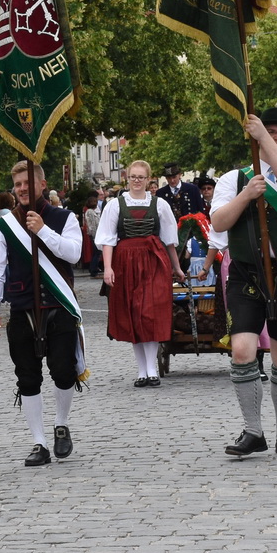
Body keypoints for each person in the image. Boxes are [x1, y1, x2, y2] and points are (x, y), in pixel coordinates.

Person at [210, 107, 277, 459]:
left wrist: (264, 140)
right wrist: (246, 195)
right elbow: (219, 224)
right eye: (271, 130)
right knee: (242, 349)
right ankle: (253, 431)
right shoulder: (232, 179)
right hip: (246, 272)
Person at [0, 160, 85, 465]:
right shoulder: (5, 225)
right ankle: (39, 441)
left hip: (58, 305)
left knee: (64, 370)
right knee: (27, 377)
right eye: (17, 185)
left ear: (42, 184)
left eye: (28, 183)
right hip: (22, 305)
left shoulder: (63, 217)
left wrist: (43, 232)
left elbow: (74, 254)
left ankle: (61, 424)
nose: (23, 189)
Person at [97, 161, 181, 388]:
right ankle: (142, 370)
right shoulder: (115, 205)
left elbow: (170, 240)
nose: (136, 180)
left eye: (141, 177)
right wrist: (108, 268)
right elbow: (107, 240)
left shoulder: (159, 205)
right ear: (127, 178)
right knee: (133, 313)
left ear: (148, 180)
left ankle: (152, 369)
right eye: (133, 176)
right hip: (125, 262)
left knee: (149, 312)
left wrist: (177, 268)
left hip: (153, 261)